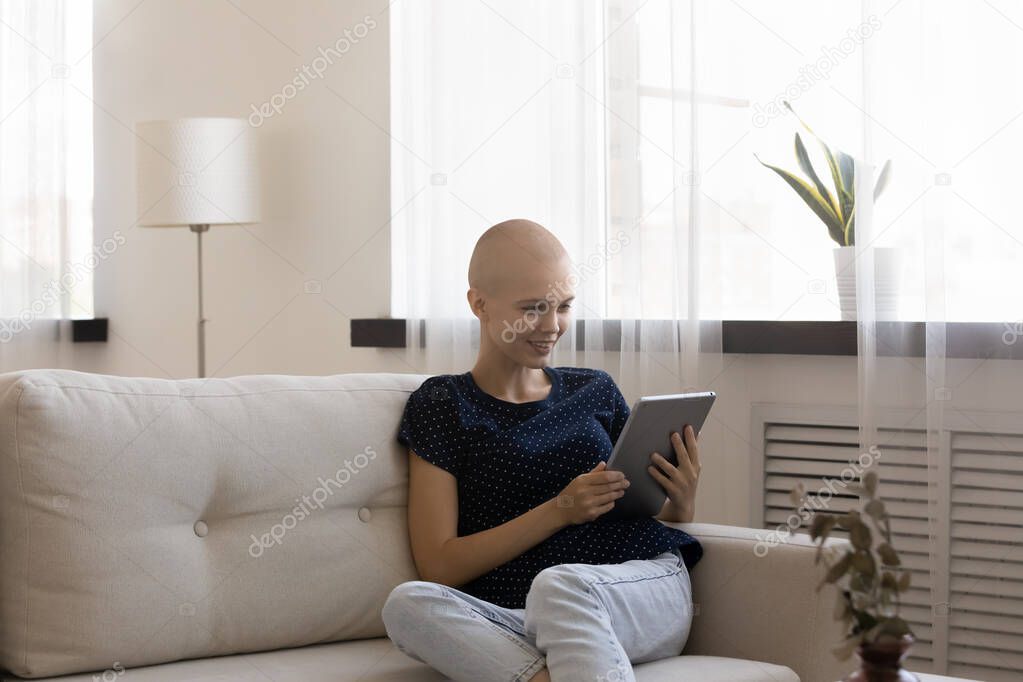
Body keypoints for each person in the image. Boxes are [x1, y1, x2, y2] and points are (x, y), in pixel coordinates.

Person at [381, 219, 704, 682]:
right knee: (407, 604)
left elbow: (645, 514)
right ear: (479, 304)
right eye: (533, 308)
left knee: (558, 587)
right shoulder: (442, 405)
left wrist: (683, 501)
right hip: (520, 613)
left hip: (635, 589)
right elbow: (439, 565)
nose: (552, 326)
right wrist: (559, 510)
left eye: (564, 307)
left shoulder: (595, 389)